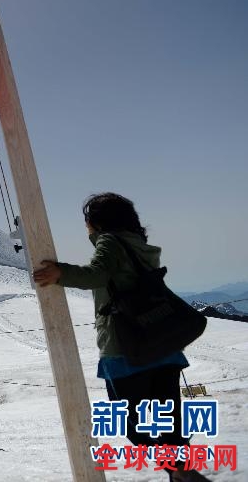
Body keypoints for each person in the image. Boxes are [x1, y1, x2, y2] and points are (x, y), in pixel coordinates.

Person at [34, 193, 208, 482]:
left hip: (127, 348)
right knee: (170, 425)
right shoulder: (140, 244)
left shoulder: (110, 241)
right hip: (163, 346)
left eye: (87, 219)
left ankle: (178, 471)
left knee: (132, 427)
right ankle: (181, 471)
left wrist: (59, 273)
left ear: (97, 221)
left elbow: (97, 275)